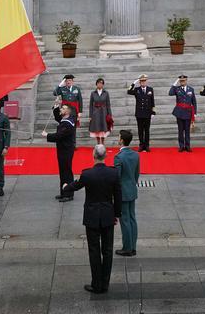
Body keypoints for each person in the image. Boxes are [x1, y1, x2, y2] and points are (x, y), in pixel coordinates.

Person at [61, 144, 122, 295]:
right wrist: (117, 214)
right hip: (108, 216)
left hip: (92, 216)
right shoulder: (113, 174)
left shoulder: (87, 174)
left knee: (94, 250)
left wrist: (65, 187)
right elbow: (118, 196)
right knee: (107, 251)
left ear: (93, 155)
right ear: (105, 156)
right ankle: (105, 283)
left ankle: (96, 284)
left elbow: (76, 186)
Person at [113, 130, 140, 258]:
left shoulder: (119, 157)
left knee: (125, 220)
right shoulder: (135, 155)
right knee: (132, 218)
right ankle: (133, 246)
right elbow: (136, 174)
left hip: (123, 192)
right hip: (132, 189)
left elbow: (116, 178)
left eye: (119, 137)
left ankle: (127, 247)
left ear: (122, 140)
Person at [44, 103, 77, 200]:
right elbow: (57, 117)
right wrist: (56, 107)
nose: (61, 109)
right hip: (62, 149)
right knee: (63, 172)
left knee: (66, 172)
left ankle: (69, 194)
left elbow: (59, 136)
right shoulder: (65, 120)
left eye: (63, 108)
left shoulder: (68, 123)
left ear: (67, 112)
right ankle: (63, 192)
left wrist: (47, 135)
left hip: (66, 150)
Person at [126, 74, 155, 152]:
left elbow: (152, 101)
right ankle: (141, 145)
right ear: (139, 82)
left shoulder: (150, 89)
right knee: (140, 130)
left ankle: (147, 145)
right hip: (139, 113)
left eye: (144, 81)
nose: (143, 82)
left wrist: (153, 112)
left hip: (147, 113)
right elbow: (128, 91)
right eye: (141, 81)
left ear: (146, 81)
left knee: (147, 130)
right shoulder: (137, 89)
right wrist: (134, 83)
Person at [169, 75, 197, 152]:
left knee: (187, 131)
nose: (182, 82)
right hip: (180, 112)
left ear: (186, 80)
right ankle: (181, 146)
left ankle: (187, 146)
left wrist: (194, 113)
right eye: (181, 81)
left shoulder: (191, 89)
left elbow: (194, 102)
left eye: (183, 80)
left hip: (188, 112)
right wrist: (175, 83)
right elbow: (170, 93)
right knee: (180, 130)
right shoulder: (177, 89)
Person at [88, 77, 113, 146]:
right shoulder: (93, 93)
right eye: (99, 83)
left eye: (101, 83)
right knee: (97, 128)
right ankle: (98, 143)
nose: (100, 85)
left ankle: (103, 143)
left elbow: (108, 104)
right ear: (96, 84)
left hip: (104, 112)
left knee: (103, 127)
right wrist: (90, 115)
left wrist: (109, 114)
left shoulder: (106, 93)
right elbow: (90, 105)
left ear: (103, 85)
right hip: (95, 112)